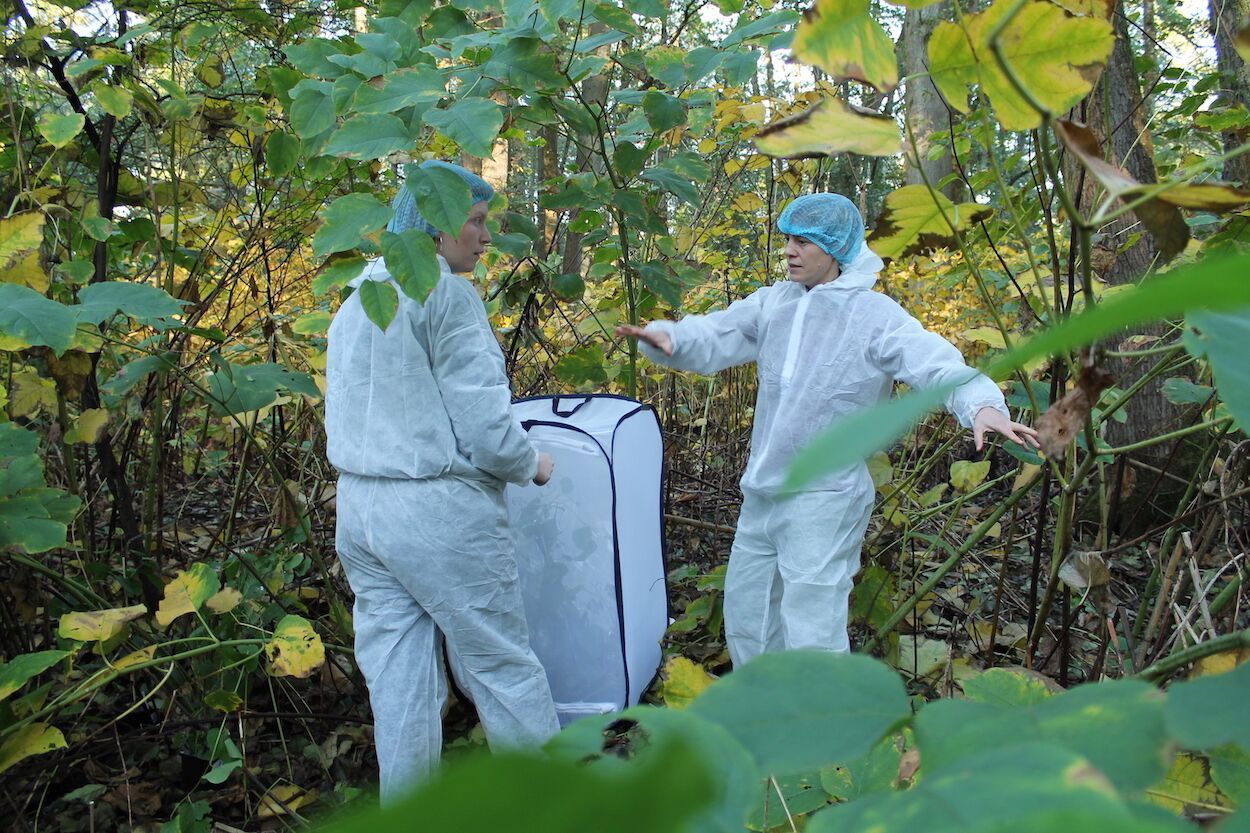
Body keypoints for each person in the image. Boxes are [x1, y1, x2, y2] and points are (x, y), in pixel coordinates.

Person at [617, 193, 1039, 667]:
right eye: (788, 241)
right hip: (763, 490)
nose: (789, 251)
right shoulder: (775, 303)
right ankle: (761, 718)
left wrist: (981, 404)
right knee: (748, 613)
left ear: (835, 250)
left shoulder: (873, 315)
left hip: (824, 498)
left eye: (802, 242)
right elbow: (718, 334)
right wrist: (669, 337)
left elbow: (931, 362)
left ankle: (824, 732)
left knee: (812, 626)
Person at [325, 160, 560, 803]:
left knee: (399, 680)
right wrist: (528, 461)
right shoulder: (445, 293)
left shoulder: (360, 294)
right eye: (476, 221)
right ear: (432, 223)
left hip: (360, 511)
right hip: (437, 511)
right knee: (502, 667)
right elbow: (485, 423)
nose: (486, 239)